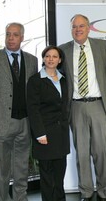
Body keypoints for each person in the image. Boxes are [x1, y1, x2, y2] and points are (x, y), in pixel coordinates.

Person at [59, 14, 106, 201]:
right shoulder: (63, 50)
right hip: (76, 108)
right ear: (71, 29)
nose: (78, 29)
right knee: (81, 153)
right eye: (74, 26)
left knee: (100, 152)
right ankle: (86, 192)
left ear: (89, 28)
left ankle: (102, 191)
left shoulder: (101, 46)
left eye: (81, 26)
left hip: (98, 105)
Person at [0, 22, 38, 200]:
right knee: (1, 168)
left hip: (24, 122)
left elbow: (34, 92)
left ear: (22, 37)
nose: (11, 38)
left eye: (15, 35)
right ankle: (2, 198)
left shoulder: (32, 60)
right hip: (1, 123)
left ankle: (20, 197)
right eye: (8, 34)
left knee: (22, 166)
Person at [27, 45, 69, 201]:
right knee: (47, 176)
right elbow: (33, 109)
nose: (51, 59)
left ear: (60, 60)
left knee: (59, 175)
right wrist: (39, 133)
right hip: (45, 134)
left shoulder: (64, 79)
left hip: (61, 134)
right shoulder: (35, 81)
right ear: (43, 59)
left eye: (54, 56)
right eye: (47, 56)